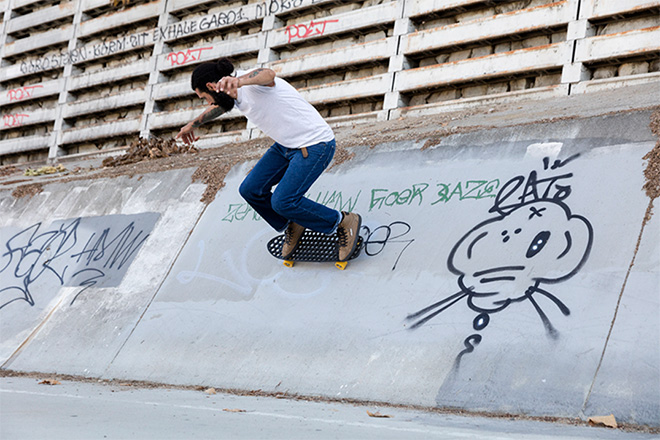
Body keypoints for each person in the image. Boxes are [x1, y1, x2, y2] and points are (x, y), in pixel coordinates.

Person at [176, 58, 362, 261]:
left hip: (316, 145)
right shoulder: (231, 95)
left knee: (283, 201)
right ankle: (293, 223)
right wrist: (192, 124)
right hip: (286, 146)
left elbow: (269, 75)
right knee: (250, 190)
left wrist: (240, 81)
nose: (207, 103)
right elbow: (219, 106)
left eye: (204, 97)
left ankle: (342, 221)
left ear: (212, 86)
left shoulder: (252, 85)